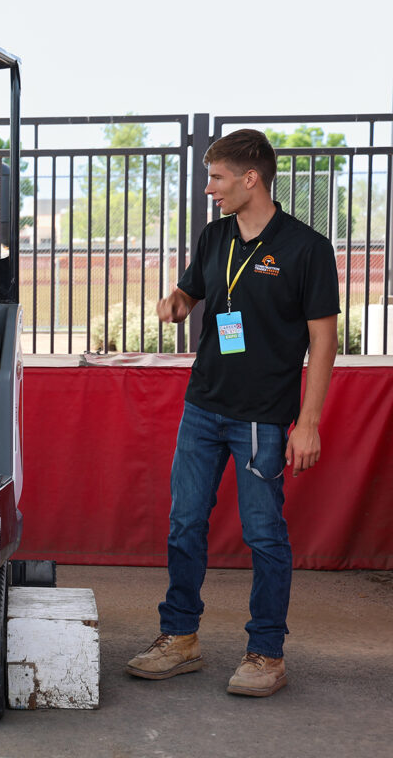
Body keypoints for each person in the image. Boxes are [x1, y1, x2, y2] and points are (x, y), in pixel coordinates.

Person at [125, 129, 339, 697]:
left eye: (216, 177)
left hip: (262, 417)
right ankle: (180, 638)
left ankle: (267, 652)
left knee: (264, 535)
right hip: (202, 406)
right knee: (184, 524)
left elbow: (323, 342)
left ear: (251, 178)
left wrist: (308, 422)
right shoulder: (215, 235)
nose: (208, 188)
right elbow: (192, 293)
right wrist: (177, 302)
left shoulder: (307, 248)